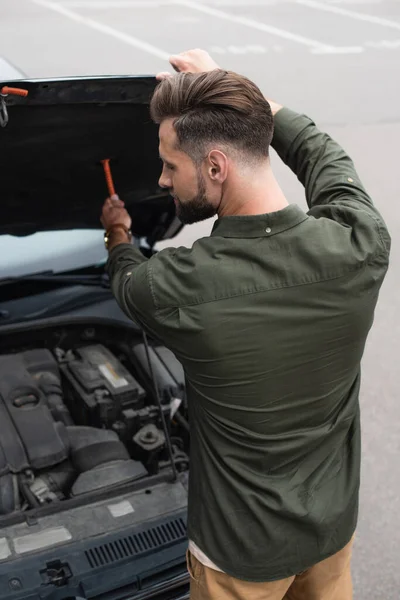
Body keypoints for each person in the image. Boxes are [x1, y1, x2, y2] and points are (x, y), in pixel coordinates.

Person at [101, 49, 390, 600]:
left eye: (169, 165)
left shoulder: (174, 287)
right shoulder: (360, 244)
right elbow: (320, 150)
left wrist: (117, 232)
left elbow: (125, 279)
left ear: (215, 166)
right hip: (331, 529)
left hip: (239, 556)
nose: (161, 179)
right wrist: (247, 94)